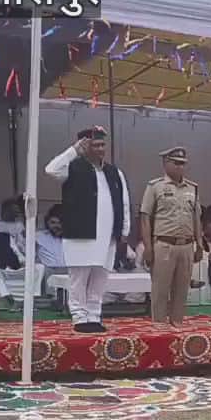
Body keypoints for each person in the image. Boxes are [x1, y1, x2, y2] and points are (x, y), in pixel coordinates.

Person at [44, 126, 130, 333]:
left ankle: (94, 315)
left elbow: (124, 202)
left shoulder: (114, 172)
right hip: (80, 233)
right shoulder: (72, 167)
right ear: (84, 146)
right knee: (79, 278)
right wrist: (73, 150)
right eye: (95, 145)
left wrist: (124, 231)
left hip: (107, 235)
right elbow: (50, 170)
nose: (100, 149)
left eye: (102, 145)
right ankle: (79, 316)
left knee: (100, 278)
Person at [140, 147, 202, 325]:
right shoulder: (155, 186)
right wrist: (148, 248)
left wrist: (200, 244)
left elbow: (197, 218)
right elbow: (145, 218)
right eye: (176, 163)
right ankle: (159, 325)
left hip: (186, 245)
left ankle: (177, 324)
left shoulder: (193, 188)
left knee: (182, 289)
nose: (180, 167)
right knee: (160, 289)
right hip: (164, 244)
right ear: (165, 163)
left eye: (183, 164)